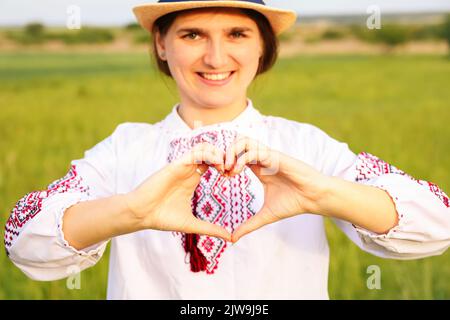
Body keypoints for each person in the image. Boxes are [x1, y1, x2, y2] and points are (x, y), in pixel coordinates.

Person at [4, 0, 450, 300]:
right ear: (161, 43)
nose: (216, 58)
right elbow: (24, 242)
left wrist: (325, 195)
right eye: (193, 35)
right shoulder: (125, 148)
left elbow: (438, 222)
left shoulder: (305, 145)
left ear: (263, 46)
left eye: (237, 34)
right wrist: (132, 211)